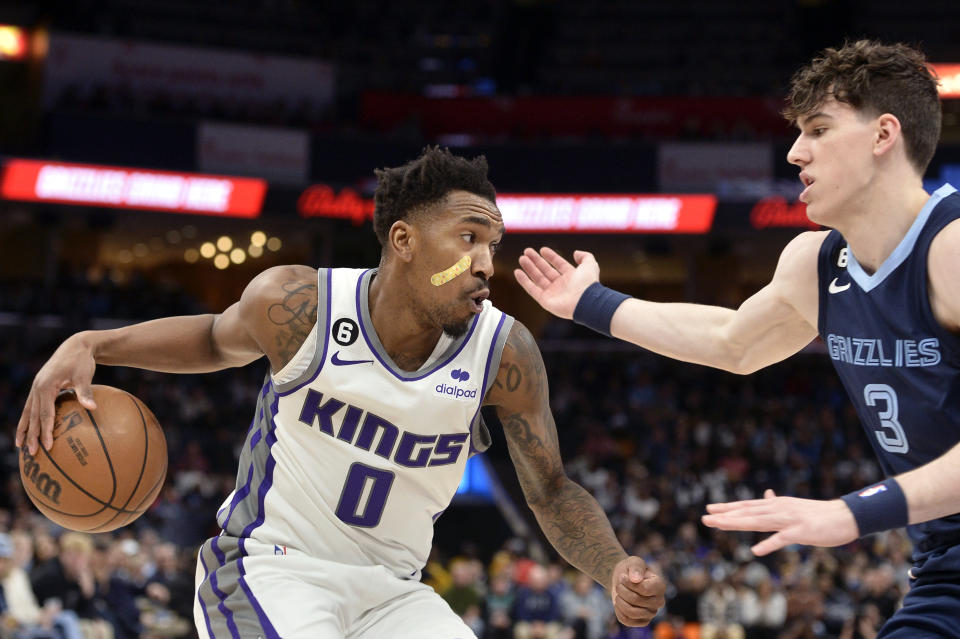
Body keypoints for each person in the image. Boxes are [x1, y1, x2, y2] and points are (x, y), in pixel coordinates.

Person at [16, 147, 665, 639]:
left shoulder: (504, 350)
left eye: (492, 243)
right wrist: (94, 344)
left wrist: (611, 565)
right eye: (467, 238)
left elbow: (550, 488)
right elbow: (215, 340)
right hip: (272, 569)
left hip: (394, 592)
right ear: (404, 241)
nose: (484, 262)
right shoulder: (301, 304)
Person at [514, 40, 959, 637]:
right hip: (943, 569)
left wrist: (852, 513)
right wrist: (591, 304)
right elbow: (733, 341)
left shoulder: (950, 250)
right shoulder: (816, 264)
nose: (797, 152)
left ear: (884, 135)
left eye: (820, 129)